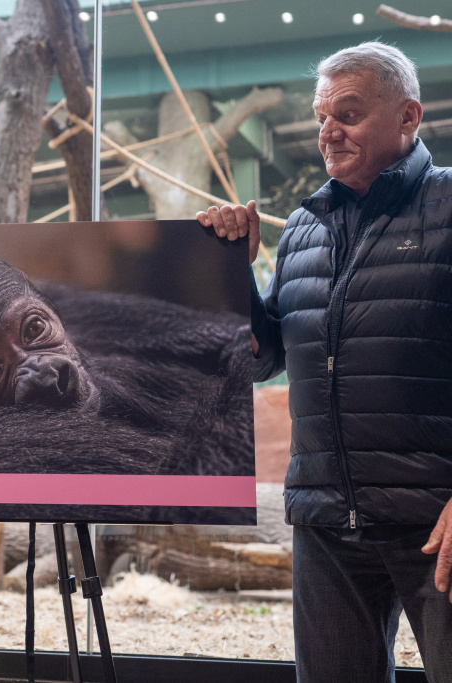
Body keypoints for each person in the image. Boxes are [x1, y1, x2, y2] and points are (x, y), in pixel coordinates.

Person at [197, 42, 452, 682]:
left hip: (436, 522)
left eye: (349, 113)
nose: (328, 132)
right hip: (326, 525)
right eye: (320, 117)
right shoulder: (305, 227)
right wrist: (234, 276)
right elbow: (266, 359)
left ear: (408, 118)